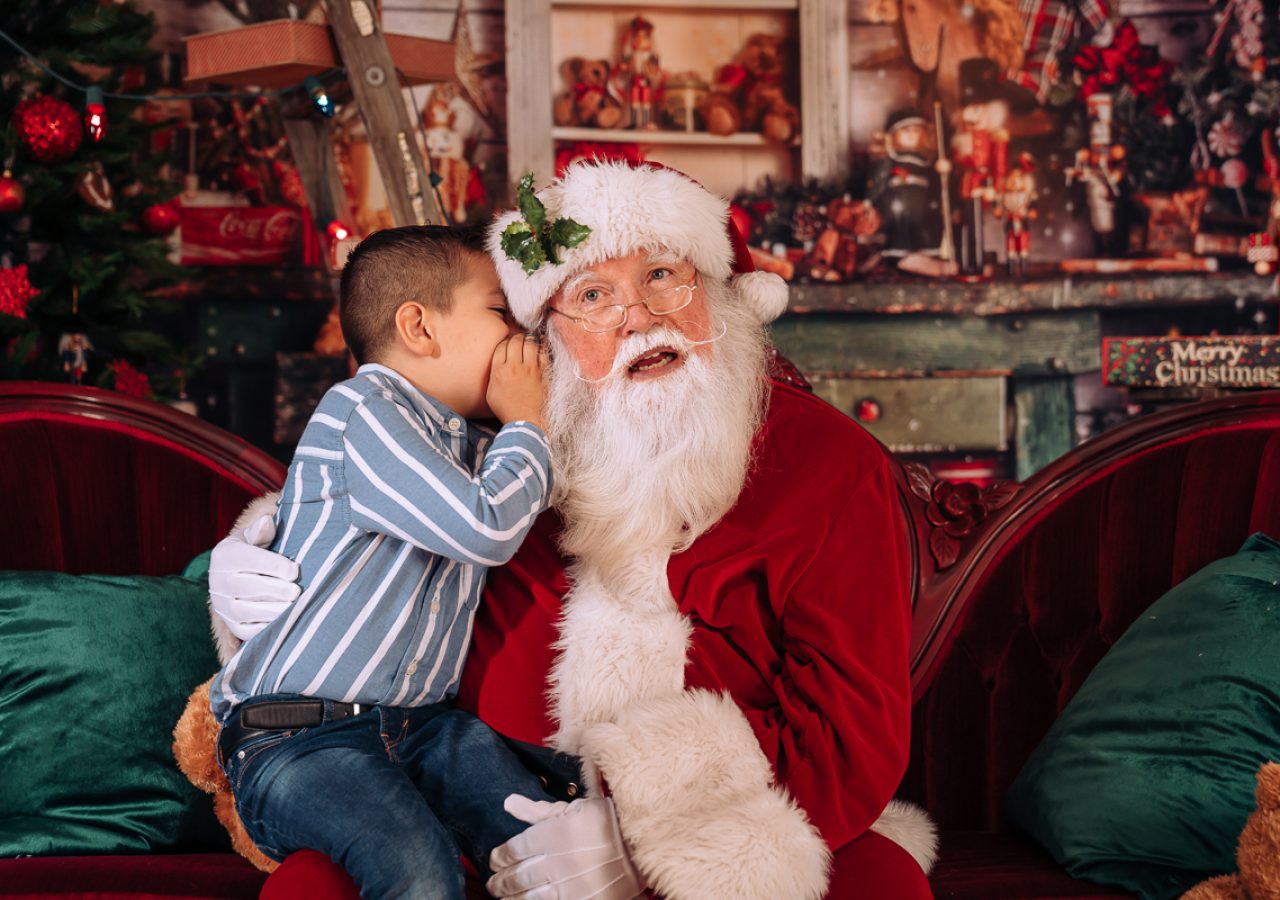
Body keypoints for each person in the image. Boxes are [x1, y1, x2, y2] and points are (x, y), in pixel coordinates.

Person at [210, 162, 937, 900]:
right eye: (592, 296)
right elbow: (374, 520)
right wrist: (267, 542)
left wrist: (649, 843)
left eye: (662, 275)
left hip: (728, 834)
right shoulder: (507, 450)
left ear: (717, 296)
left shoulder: (829, 462)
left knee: (888, 886)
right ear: (546, 340)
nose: (638, 317)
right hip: (476, 815)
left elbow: (852, 740)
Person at [208, 224, 564, 899]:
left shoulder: (476, 445)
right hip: (299, 737)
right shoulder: (361, 410)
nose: (525, 337)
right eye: (500, 312)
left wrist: (527, 430)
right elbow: (484, 525)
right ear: (419, 328)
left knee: (550, 842)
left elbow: (540, 490)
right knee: (414, 865)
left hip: (426, 728)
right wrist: (529, 425)